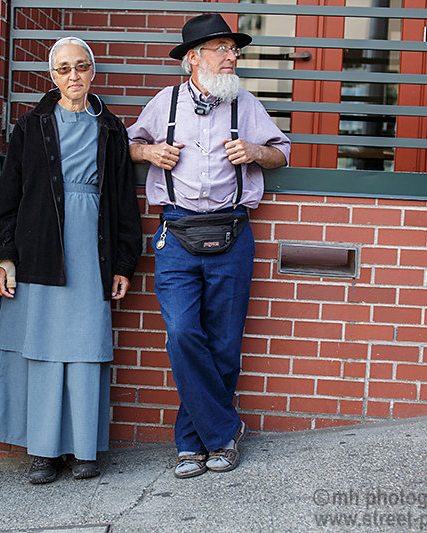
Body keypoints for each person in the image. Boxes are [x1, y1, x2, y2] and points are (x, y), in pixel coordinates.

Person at [127, 13, 291, 479]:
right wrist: (149, 152)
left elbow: (282, 151)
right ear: (193, 60)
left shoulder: (246, 104)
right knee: (182, 333)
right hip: (175, 233)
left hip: (233, 231)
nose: (232, 55)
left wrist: (258, 153)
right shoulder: (165, 103)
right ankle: (223, 432)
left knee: (224, 342)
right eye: (222, 48)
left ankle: (191, 444)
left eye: (233, 49)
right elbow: (130, 142)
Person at [0, 36, 143, 484]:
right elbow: (8, 198)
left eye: (82, 67)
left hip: (92, 247)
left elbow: (125, 201)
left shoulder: (111, 128)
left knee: (86, 346)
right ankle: (44, 452)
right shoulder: (31, 127)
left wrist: (124, 263)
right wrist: (5, 256)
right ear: (53, 76)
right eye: (65, 68)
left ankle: (84, 449)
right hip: (40, 246)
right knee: (44, 348)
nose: (74, 76)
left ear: (93, 73)